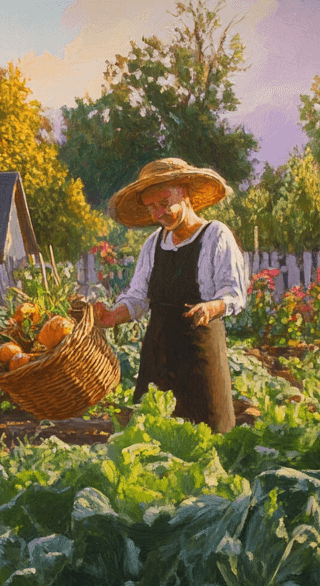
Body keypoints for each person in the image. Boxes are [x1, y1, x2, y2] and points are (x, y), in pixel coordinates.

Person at [93, 158, 249, 433]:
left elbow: (234, 293)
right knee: (153, 435)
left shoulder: (215, 235)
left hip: (201, 354)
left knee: (209, 434)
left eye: (164, 203)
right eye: (151, 208)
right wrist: (113, 316)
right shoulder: (153, 243)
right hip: (159, 355)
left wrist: (210, 308)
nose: (158, 214)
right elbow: (138, 297)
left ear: (184, 193)